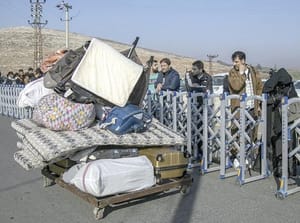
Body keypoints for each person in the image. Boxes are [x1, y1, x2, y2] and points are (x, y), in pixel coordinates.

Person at [262, 68, 299, 185]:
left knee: (281, 144)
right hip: (290, 121)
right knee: (289, 144)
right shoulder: (290, 86)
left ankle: (283, 170)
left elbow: (266, 90)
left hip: (282, 121)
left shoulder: (278, 86)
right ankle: (288, 169)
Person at [228, 51, 263, 141]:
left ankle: (251, 154)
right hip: (239, 109)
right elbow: (236, 86)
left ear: (243, 60)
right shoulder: (232, 72)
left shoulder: (253, 71)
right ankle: (237, 154)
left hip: (252, 108)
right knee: (237, 135)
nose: (234, 64)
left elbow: (259, 87)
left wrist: (258, 103)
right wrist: (241, 73)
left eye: (236, 62)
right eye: (234, 62)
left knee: (252, 133)